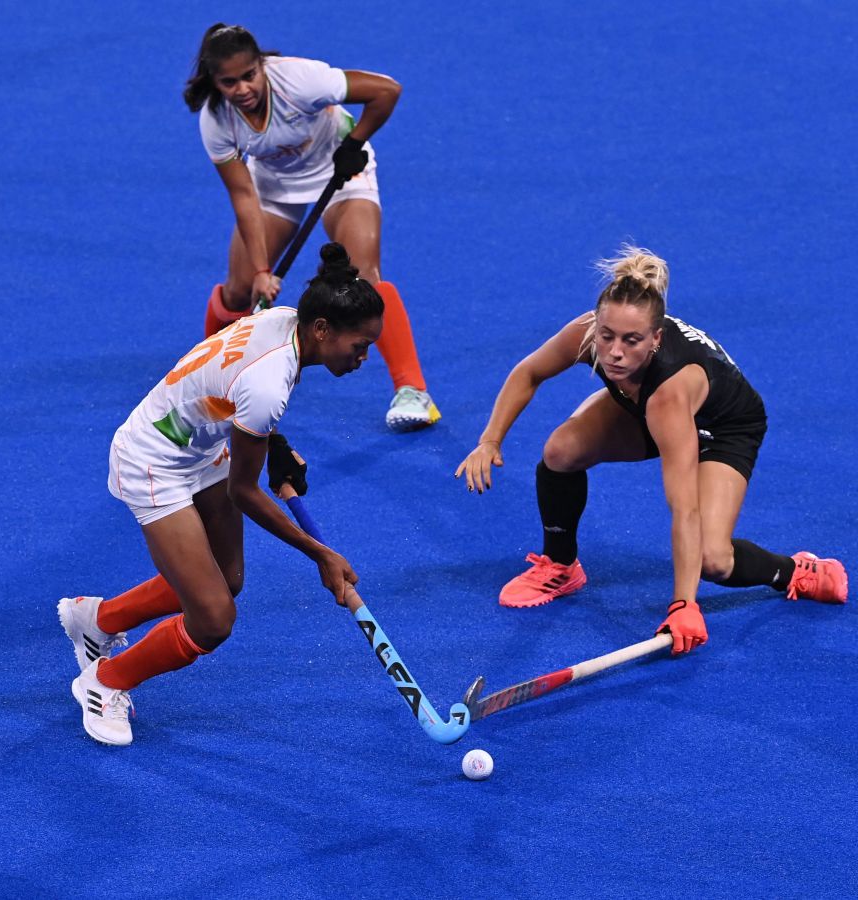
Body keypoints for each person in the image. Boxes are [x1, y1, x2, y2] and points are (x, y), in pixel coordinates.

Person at [60, 243, 381, 745]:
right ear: (323, 329)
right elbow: (245, 492)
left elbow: (233, 387)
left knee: (226, 580)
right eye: (359, 346)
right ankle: (104, 682)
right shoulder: (272, 381)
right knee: (213, 618)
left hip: (201, 443)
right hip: (154, 461)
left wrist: (275, 446)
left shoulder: (286, 320)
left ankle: (96, 619)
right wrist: (320, 553)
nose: (363, 358)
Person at [454, 246, 847, 653]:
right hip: (642, 404)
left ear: (656, 339)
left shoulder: (669, 396)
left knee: (714, 560)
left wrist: (684, 604)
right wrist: (490, 440)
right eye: (607, 337)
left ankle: (792, 571)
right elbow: (529, 372)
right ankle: (560, 564)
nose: (615, 352)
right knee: (561, 450)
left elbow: (684, 508)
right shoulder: (589, 333)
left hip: (724, 426)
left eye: (631, 340)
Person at [184, 23, 440, 433]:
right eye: (229, 82)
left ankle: (413, 392)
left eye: (249, 75)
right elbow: (244, 198)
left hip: (339, 171)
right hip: (273, 185)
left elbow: (387, 90)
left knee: (366, 278)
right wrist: (263, 270)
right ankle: (206, 383)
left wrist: (354, 142)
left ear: (261, 65)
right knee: (238, 288)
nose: (243, 88)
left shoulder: (299, 80)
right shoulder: (216, 120)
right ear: (214, 82)